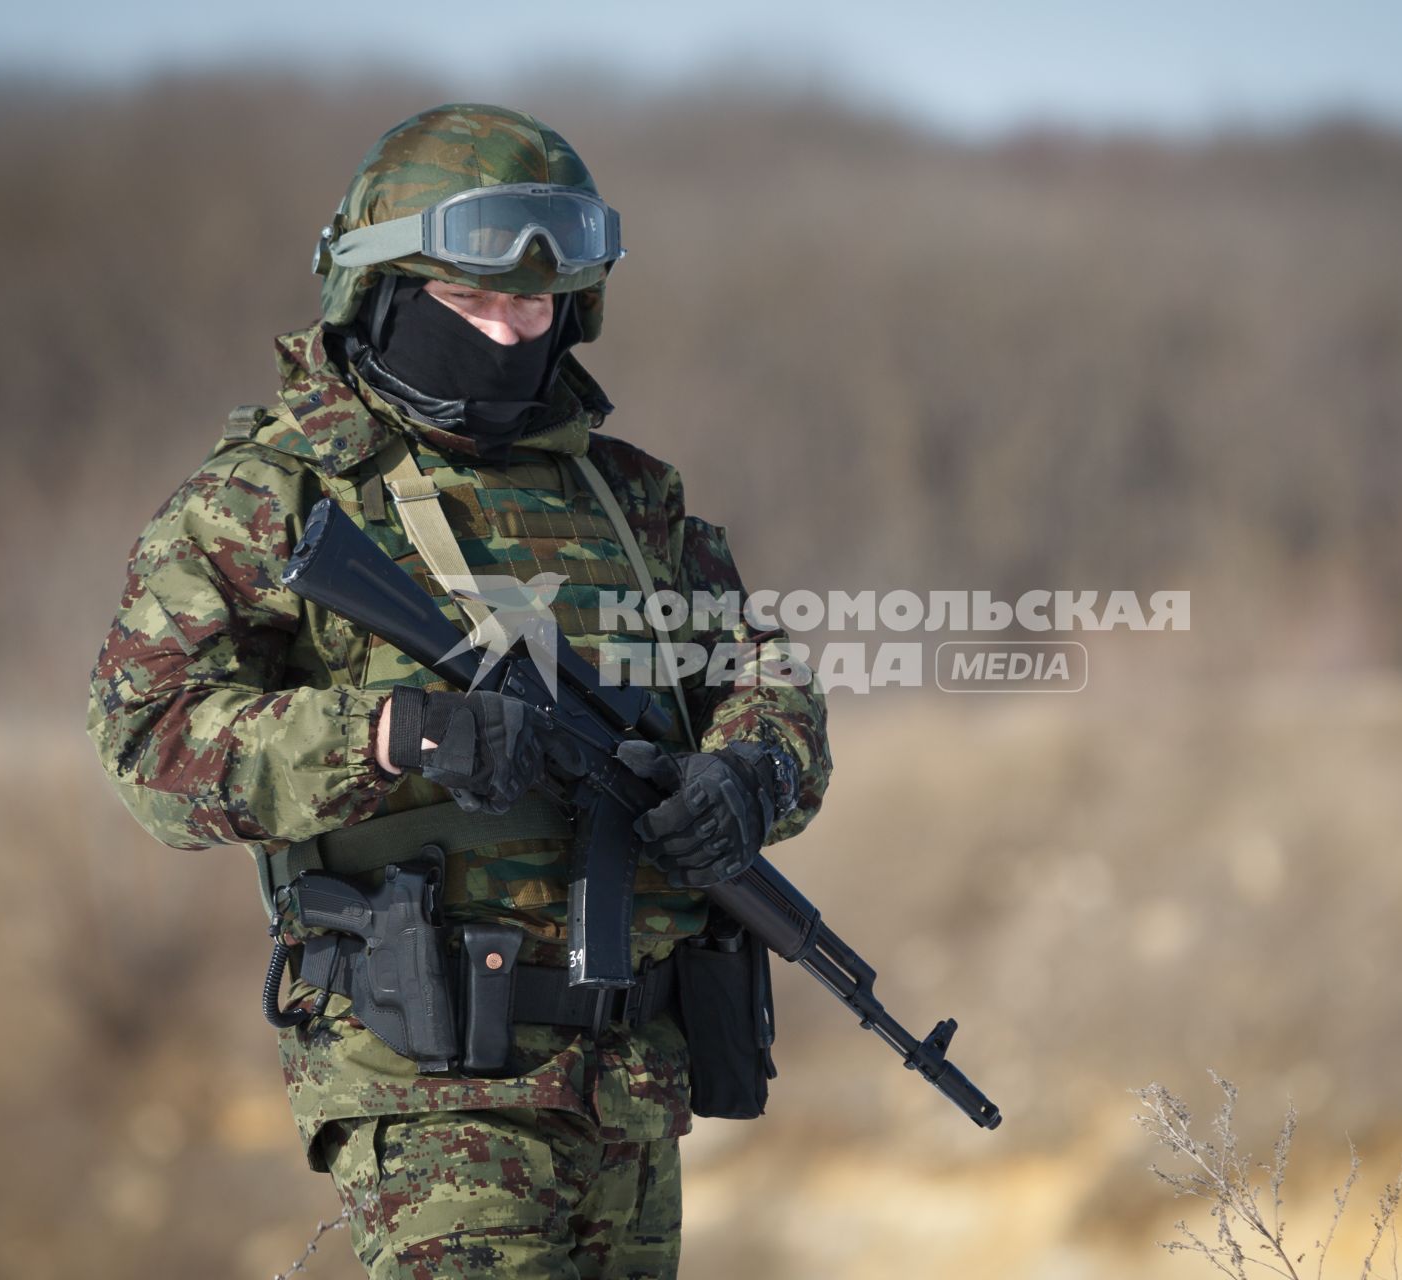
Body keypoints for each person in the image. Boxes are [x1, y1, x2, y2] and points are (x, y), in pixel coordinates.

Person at [86, 103, 832, 1278]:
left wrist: (751, 772)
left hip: (634, 1084)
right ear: (380, 293)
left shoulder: (630, 501)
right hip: (434, 1077)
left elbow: (763, 676)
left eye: (532, 306)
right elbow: (151, 742)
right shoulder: (275, 495)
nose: (504, 330)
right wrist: (389, 731)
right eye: (469, 300)